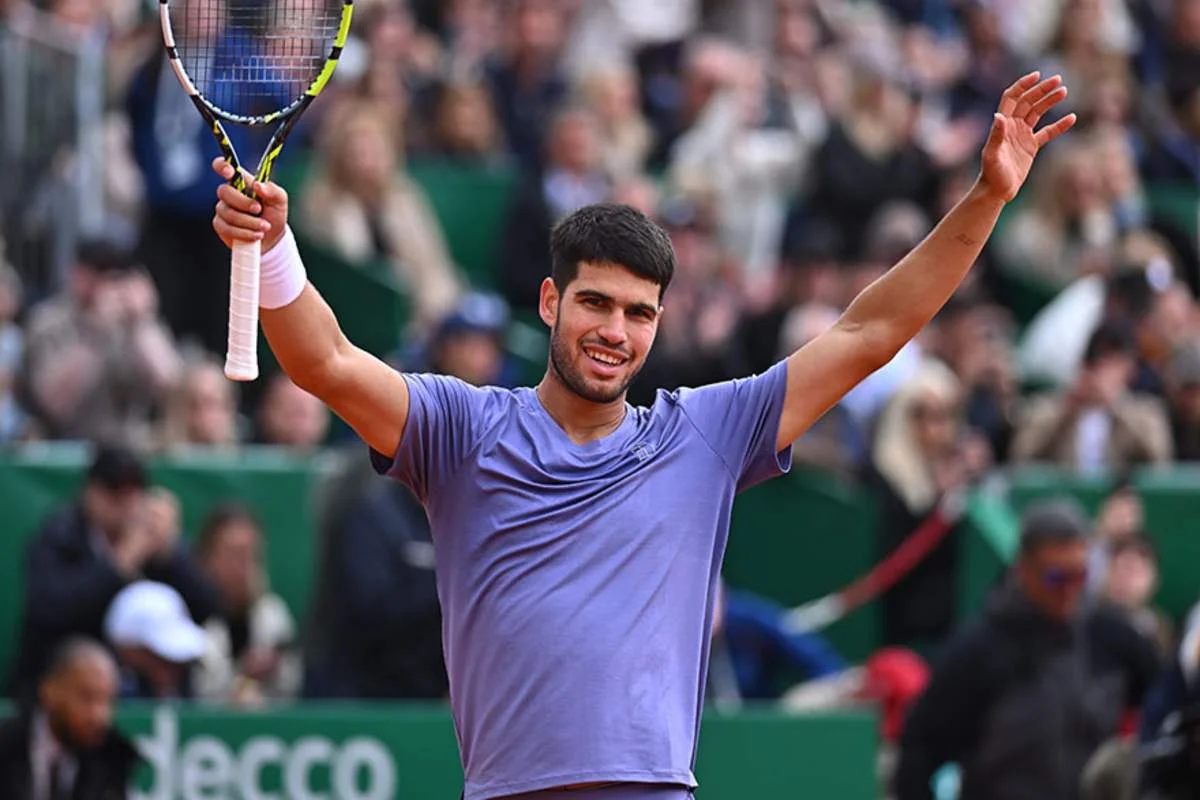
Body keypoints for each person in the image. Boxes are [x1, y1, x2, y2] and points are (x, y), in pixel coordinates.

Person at [211, 73, 1075, 800]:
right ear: (550, 302)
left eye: (639, 313)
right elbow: (326, 361)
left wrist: (988, 196)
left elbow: (869, 333)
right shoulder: (462, 429)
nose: (614, 332)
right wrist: (277, 248)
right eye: (595, 303)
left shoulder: (704, 433)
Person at [893, 500, 1161, 800]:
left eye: (1079, 576)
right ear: (1024, 570)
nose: (1068, 590)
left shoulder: (1113, 638)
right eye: (1055, 578)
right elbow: (919, 748)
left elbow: (1164, 707)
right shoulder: (979, 650)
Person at [9, 445, 219, 700]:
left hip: (145, 689)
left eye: (133, 493)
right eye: (114, 492)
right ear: (90, 492)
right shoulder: (58, 538)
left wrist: (171, 556)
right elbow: (51, 610)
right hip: (65, 688)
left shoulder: (157, 544)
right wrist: (118, 565)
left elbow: (205, 608)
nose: (125, 504)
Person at [0, 637, 141, 799]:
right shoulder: (6, 747)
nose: (99, 715)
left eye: (108, 701)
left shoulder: (112, 759)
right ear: (49, 691)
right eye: (87, 697)